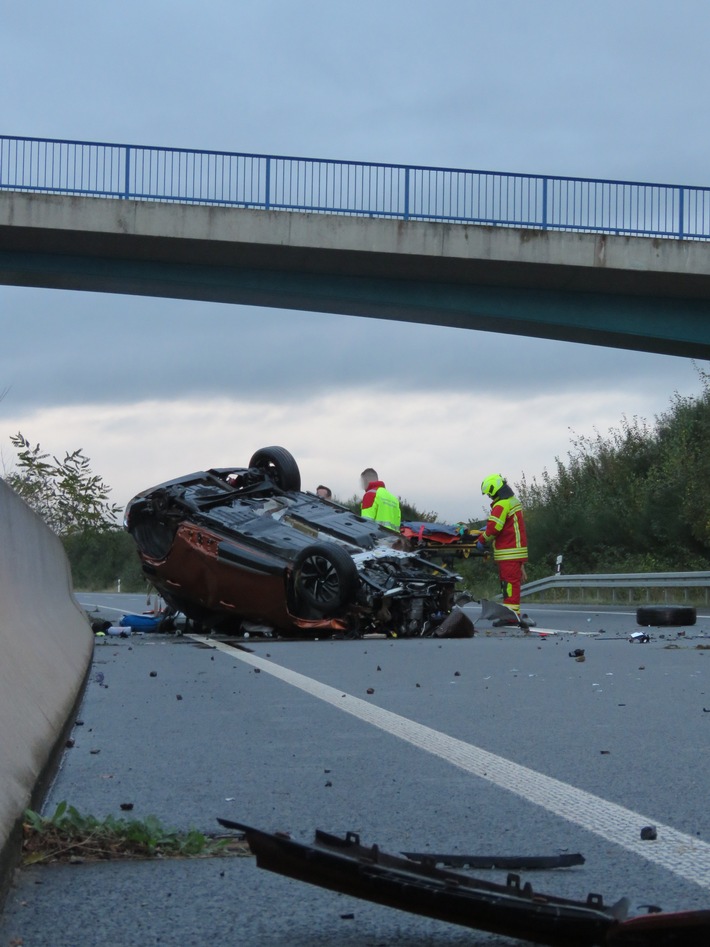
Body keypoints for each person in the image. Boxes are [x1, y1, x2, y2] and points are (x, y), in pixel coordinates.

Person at [476, 474, 528, 622]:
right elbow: (505, 524)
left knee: (510, 585)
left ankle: (511, 617)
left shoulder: (501, 505)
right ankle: (511, 614)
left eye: (489, 494)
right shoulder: (512, 502)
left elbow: (494, 529)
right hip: (514, 551)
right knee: (509, 585)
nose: (489, 498)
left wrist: (481, 540)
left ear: (494, 491)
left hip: (509, 552)